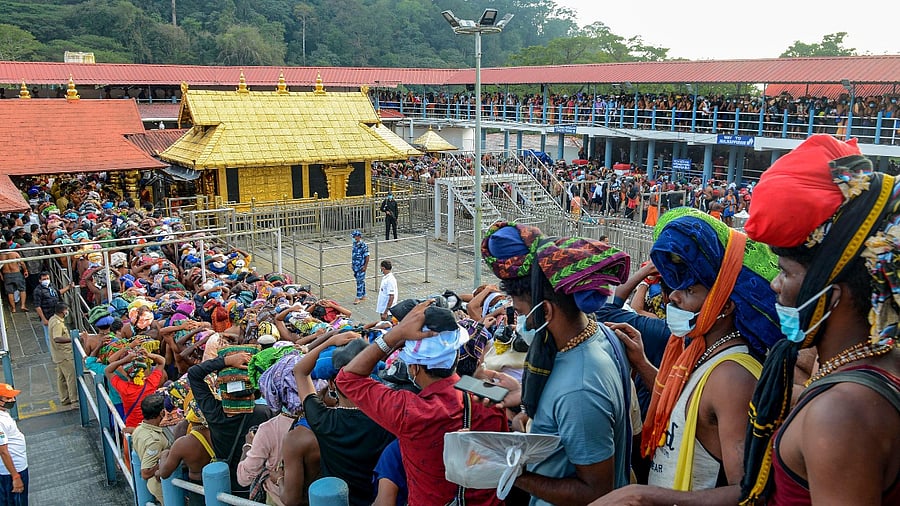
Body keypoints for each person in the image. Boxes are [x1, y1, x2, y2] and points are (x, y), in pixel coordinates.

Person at [737, 135, 900, 505]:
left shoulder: (840, 414)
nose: (775, 285)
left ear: (834, 295)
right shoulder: (875, 371)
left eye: (785, 272)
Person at [593, 207, 782, 504]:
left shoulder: (732, 377)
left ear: (725, 305)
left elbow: (749, 492)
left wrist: (644, 495)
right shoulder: (700, 351)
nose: (674, 297)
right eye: (676, 286)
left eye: (690, 290)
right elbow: (686, 407)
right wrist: (643, 364)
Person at [481, 221, 634, 505]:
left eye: (522, 311)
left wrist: (508, 469)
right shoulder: (597, 334)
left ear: (546, 311)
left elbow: (595, 491)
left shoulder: (579, 390)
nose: (520, 324)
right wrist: (527, 402)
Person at [336, 300, 508, 506]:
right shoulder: (488, 396)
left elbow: (348, 379)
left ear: (414, 369)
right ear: (455, 357)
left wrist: (395, 335)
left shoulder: (410, 411)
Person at [294, 333, 396, 505]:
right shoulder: (389, 418)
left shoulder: (323, 420)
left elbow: (300, 371)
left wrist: (330, 341)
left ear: (332, 383)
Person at [188, 350, 271, 496]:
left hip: (227, 486)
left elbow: (194, 374)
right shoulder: (264, 413)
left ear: (222, 390)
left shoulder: (214, 413)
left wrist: (226, 361)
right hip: (256, 487)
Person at [106, 349, 166, 429]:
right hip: (149, 429)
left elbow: (108, 371)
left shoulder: (125, 389)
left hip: (132, 429)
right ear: (143, 370)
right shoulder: (151, 383)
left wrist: (123, 360)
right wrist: (149, 355)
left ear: (127, 373)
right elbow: (162, 361)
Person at [131, 393, 171, 505]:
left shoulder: (138, 430)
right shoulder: (154, 441)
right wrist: (168, 461)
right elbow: (146, 472)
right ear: (162, 413)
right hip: (161, 486)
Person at [0, 383, 27, 505]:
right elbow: (3, 451)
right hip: (12, 471)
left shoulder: (3, 413)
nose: (12, 400)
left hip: (15, 468)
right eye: (8, 398)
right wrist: (15, 477)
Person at [32, 271, 75, 348]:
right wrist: (44, 319)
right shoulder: (38, 291)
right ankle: (52, 352)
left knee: (60, 330)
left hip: (57, 314)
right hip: (47, 316)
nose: (46, 280)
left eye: (47, 278)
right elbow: (37, 306)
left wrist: (68, 287)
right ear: (40, 280)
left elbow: (58, 293)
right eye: (44, 279)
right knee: (49, 336)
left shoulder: (51, 286)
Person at [48, 302, 79, 407]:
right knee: (71, 376)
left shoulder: (53, 319)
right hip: (64, 355)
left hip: (58, 354)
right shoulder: (57, 323)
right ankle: (74, 400)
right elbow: (57, 338)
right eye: (66, 310)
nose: (67, 312)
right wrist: (73, 339)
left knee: (61, 378)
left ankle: (64, 398)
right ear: (63, 311)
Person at [0, 243, 28, 313]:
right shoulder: (14, 254)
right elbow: (22, 263)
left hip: (6, 274)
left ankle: (13, 308)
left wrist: (1, 275)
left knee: (10, 292)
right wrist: (25, 270)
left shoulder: (0, 256)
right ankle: (23, 305)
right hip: (16, 273)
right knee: (22, 289)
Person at [350, 231, 369, 305]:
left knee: (359, 281)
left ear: (358, 237)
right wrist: (352, 264)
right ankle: (363, 294)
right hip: (355, 266)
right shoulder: (354, 244)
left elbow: (367, 256)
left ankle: (358, 297)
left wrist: (365, 266)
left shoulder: (363, 245)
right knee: (360, 280)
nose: (353, 238)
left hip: (361, 266)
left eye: (354, 237)